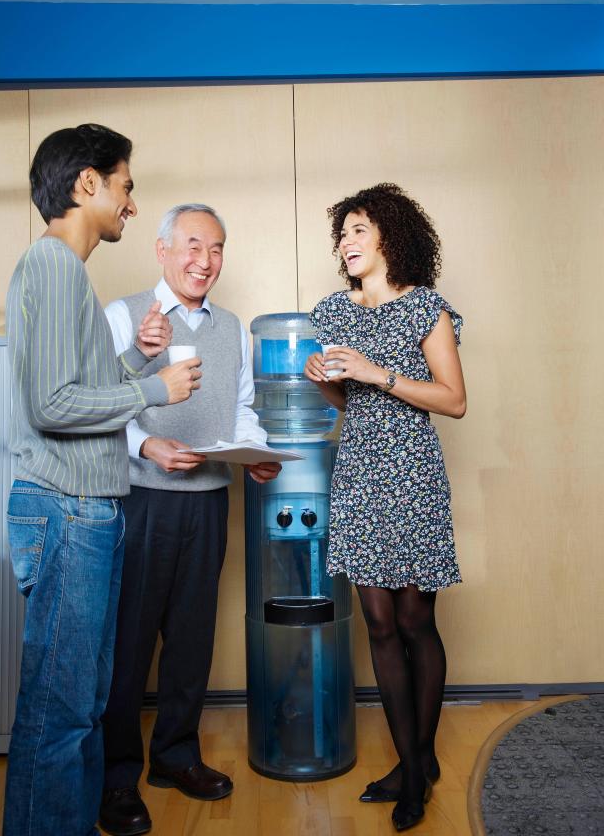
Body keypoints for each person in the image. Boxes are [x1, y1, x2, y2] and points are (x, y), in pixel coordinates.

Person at [3, 124, 200, 836]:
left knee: (81, 705)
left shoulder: (63, 275)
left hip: (84, 510)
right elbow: (52, 407)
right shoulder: (53, 266)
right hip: (67, 510)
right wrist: (157, 394)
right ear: (86, 184)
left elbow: (77, 389)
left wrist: (142, 365)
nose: (131, 205)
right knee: (61, 713)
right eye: (125, 186)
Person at [99, 203, 280, 836]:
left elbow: (243, 409)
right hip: (139, 500)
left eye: (218, 249)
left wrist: (253, 455)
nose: (206, 261)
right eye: (194, 246)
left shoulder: (232, 328)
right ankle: (116, 777)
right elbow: (93, 404)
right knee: (128, 643)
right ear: (162, 250)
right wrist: (146, 445)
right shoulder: (122, 315)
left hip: (209, 499)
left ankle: (174, 757)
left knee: (192, 638)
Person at [304, 183, 466, 833]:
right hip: (359, 474)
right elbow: (349, 407)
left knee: (413, 621)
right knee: (376, 622)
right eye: (340, 232)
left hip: (412, 474)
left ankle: (416, 765)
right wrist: (331, 386)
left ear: (390, 238)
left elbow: (453, 400)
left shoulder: (423, 308)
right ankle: (410, 762)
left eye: (358, 230)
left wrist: (376, 373)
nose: (345, 241)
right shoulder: (329, 313)